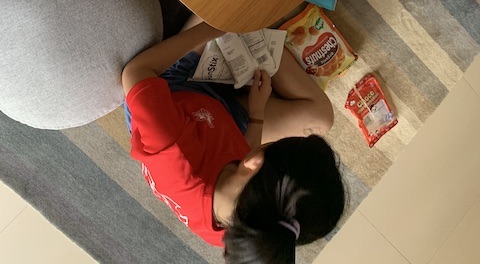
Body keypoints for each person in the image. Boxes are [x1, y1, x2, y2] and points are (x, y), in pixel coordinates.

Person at [121, 15, 345, 261]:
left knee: (232, 11)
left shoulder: (168, 143)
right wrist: (257, 114)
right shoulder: (245, 228)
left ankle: (251, 28)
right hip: (221, 125)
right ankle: (256, 34)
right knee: (321, 120)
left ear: (254, 162)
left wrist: (212, 30)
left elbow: (136, 72)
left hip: (169, 91)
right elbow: (244, 167)